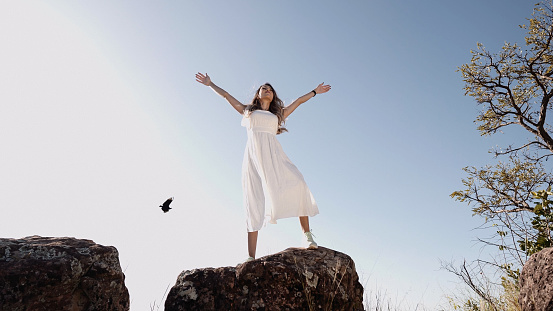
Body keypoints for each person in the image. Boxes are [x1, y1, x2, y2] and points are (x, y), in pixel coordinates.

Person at [195, 72, 331, 261]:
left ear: (273, 96)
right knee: (254, 200)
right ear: (258, 95)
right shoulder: (248, 111)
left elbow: (298, 101)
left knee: (298, 183)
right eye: (263, 89)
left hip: (275, 157)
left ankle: (307, 236)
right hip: (253, 159)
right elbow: (227, 96)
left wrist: (315, 92)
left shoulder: (278, 114)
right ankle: (251, 257)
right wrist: (211, 84)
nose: (267, 90)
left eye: (270, 90)